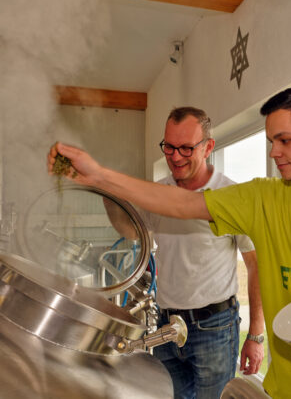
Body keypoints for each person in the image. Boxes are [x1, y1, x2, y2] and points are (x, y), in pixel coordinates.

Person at [47, 85, 291, 398]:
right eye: (270, 141)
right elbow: (180, 202)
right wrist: (98, 176)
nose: (274, 152)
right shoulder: (262, 198)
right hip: (288, 386)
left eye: (285, 140)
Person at [106, 106, 264, 399]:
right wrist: (105, 190)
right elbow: (129, 230)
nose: (175, 157)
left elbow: (256, 265)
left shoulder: (230, 196)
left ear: (208, 147)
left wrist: (255, 335)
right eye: (169, 147)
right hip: (167, 326)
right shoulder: (158, 193)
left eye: (186, 148)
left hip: (215, 328)